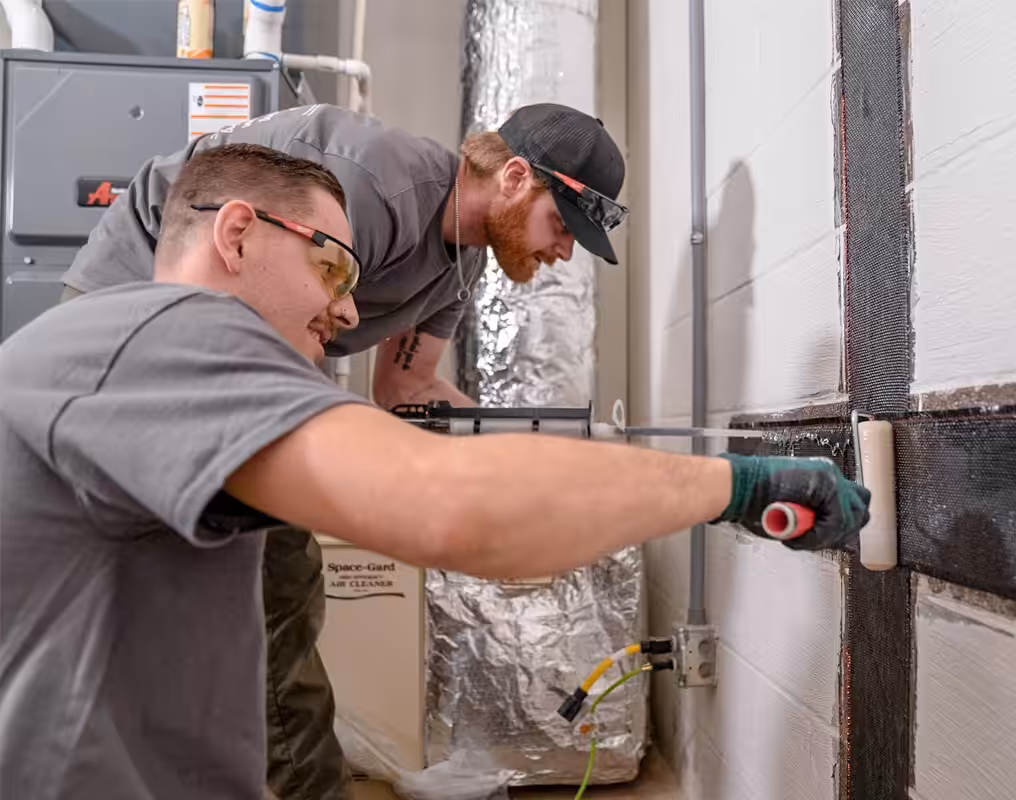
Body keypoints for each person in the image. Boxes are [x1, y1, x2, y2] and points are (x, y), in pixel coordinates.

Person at [0, 144, 870, 800]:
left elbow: (410, 396)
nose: (346, 310)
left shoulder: (123, 355)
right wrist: (744, 485)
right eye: (331, 265)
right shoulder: (178, 328)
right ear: (235, 234)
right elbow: (455, 511)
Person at [60, 101, 629, 799]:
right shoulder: (378, 189)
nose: (563, 250)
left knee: (251, 574)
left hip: (245, 341)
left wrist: (527, 449)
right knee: (273, 572)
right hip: (144, 295)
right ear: (515, 177)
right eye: (563, 226)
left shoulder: (460, 268)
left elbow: (406, 387)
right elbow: (253, 303)